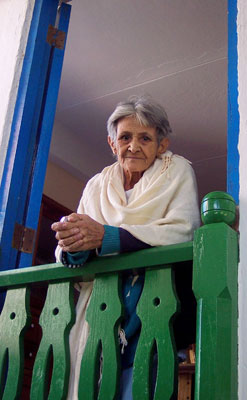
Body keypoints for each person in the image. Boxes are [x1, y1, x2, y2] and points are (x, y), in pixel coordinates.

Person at [51, 95, 200, 399]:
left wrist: (106, 237)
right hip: (99, 311)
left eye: (145, 138)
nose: (133, 146)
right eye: (125, 137)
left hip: (153, 309)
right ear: (112, 143)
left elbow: (183, 230)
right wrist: (73, 243)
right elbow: (80, 244)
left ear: (162, 145)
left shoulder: (177, 171)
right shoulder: (96, 185)